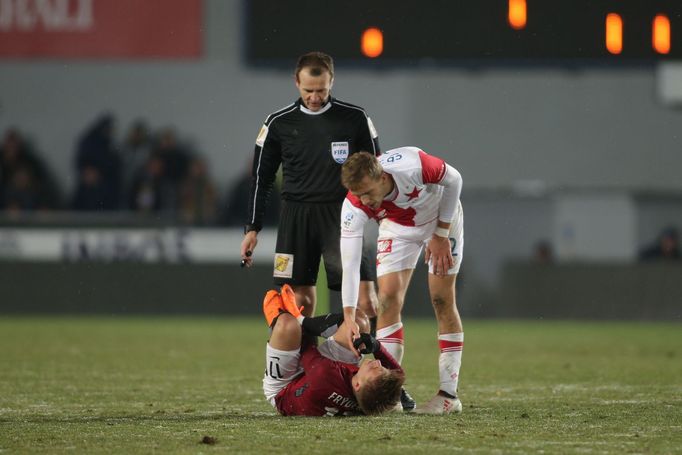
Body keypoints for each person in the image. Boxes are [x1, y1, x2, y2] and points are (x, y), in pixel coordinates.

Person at [240, 51, 380, 322]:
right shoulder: (278, 123)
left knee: (366, 300)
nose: (315, 97)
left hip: (344, 214)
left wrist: (381, 215)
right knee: (298, 301)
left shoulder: (355, 118)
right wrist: (252, 227)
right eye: (308, 90)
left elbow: (377, 170)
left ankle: (365, 364)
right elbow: (261, 177)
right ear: (296, 82)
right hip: (296, 217)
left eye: (321, 90)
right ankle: (308, 363)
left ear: (332, 82)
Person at [338, 148, 465, 414]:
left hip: (441, 220)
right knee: (387, 300)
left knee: (441, 299)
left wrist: (441, 234)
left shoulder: (412, 165)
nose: (363, 200)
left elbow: (454, 179)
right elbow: (349, 262)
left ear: (383, 178)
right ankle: (391, 396)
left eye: (367, 192)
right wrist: (349, 314)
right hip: (398, 228)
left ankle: (448, 395)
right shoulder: (354, 204)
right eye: (358, 194)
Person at [262, 284, 404, 416]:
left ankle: (277, 316)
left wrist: (290, 316)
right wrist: (376, 346)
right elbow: (399, 374)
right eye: (382, 367)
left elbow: (307, 343)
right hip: (319, 371)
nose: (378, 362)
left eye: (375, 369)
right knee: (358, 322)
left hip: (285, 388)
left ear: (357, 384)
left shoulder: (325, 375)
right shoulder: (366, 398)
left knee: (288, 325)